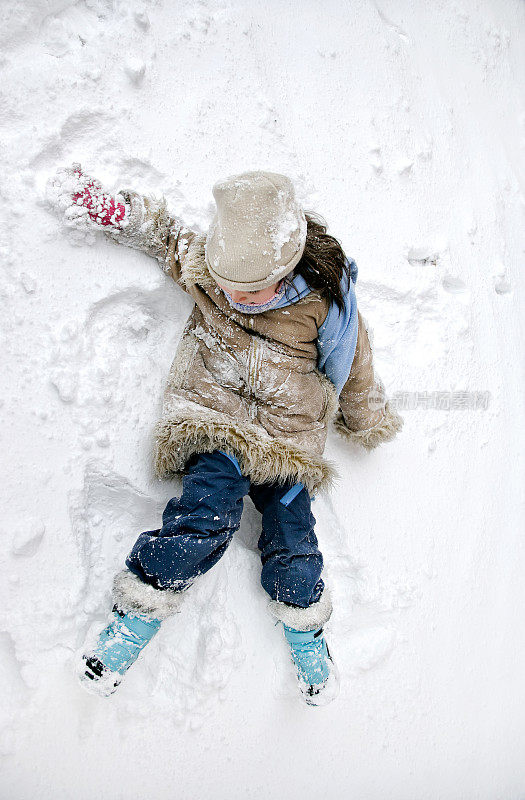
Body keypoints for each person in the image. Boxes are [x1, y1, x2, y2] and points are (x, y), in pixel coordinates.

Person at [47, 164, 403, 706]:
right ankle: (133, 623)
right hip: (217, 425)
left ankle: (306, 633)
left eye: (259, 290)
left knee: (292, 532)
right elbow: (165, 235)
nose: (244, 299)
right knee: (206, 516)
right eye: (235, 290)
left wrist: (369, 419)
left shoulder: (326, 301)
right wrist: (118, 212)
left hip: (287, 440)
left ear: (287, 268)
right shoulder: (212, 269)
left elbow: (355, 367)